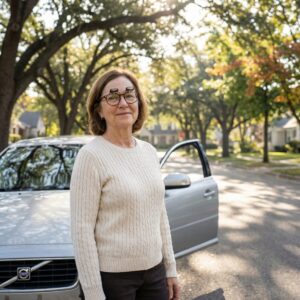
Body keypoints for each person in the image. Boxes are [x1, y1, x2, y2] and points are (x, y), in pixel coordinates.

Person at [70, 68, 180, 300]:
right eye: (112, 96)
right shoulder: (90, 156)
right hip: (113, 281)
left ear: (138, 103)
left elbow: (160, 215)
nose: (123, 102)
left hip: (155, 274)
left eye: (129, 95)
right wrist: (93, 293)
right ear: (98, 109)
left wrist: (170, 268)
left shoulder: (149, 152)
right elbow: (82, 231)